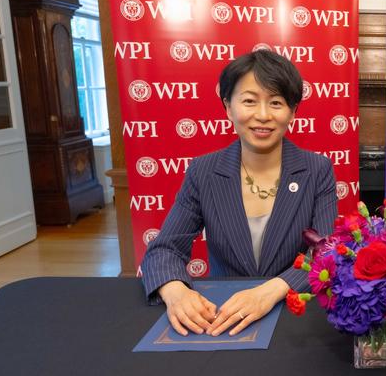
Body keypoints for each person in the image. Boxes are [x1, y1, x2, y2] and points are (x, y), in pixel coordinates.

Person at [141, 50, 337, 337]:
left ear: (293, 111)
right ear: (228, 107)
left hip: (293, 317)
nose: (262, 115)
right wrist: (174, 291)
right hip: (222, 318)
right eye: (249, 101)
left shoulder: (317, 170)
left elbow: (327, 252)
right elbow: (164, 249)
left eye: (276, 103)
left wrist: (271, 290)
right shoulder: (203, 171)